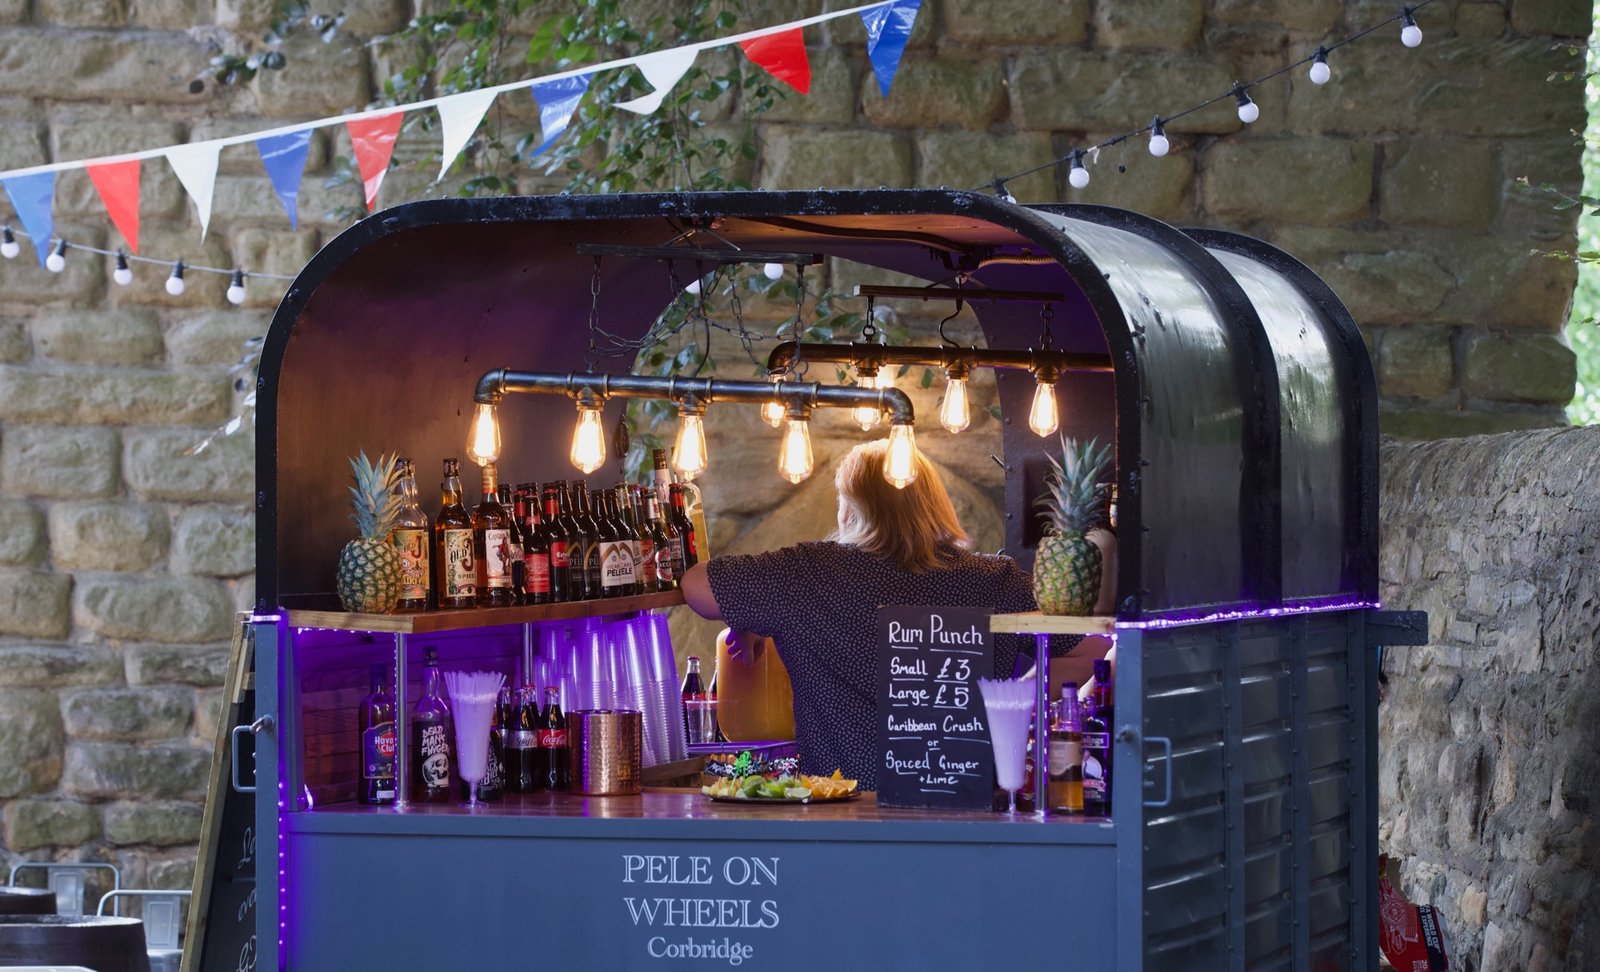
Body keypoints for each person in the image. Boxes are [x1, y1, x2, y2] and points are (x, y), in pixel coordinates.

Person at [682, 439, 1077, 790]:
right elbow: (1087, 648)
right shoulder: (994, 580)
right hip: (960, 809)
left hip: (842, 810)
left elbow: (696, 587)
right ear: (933, 505)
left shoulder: (807, 574)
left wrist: (751, 615)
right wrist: (1012, 696)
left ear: (851, 511)